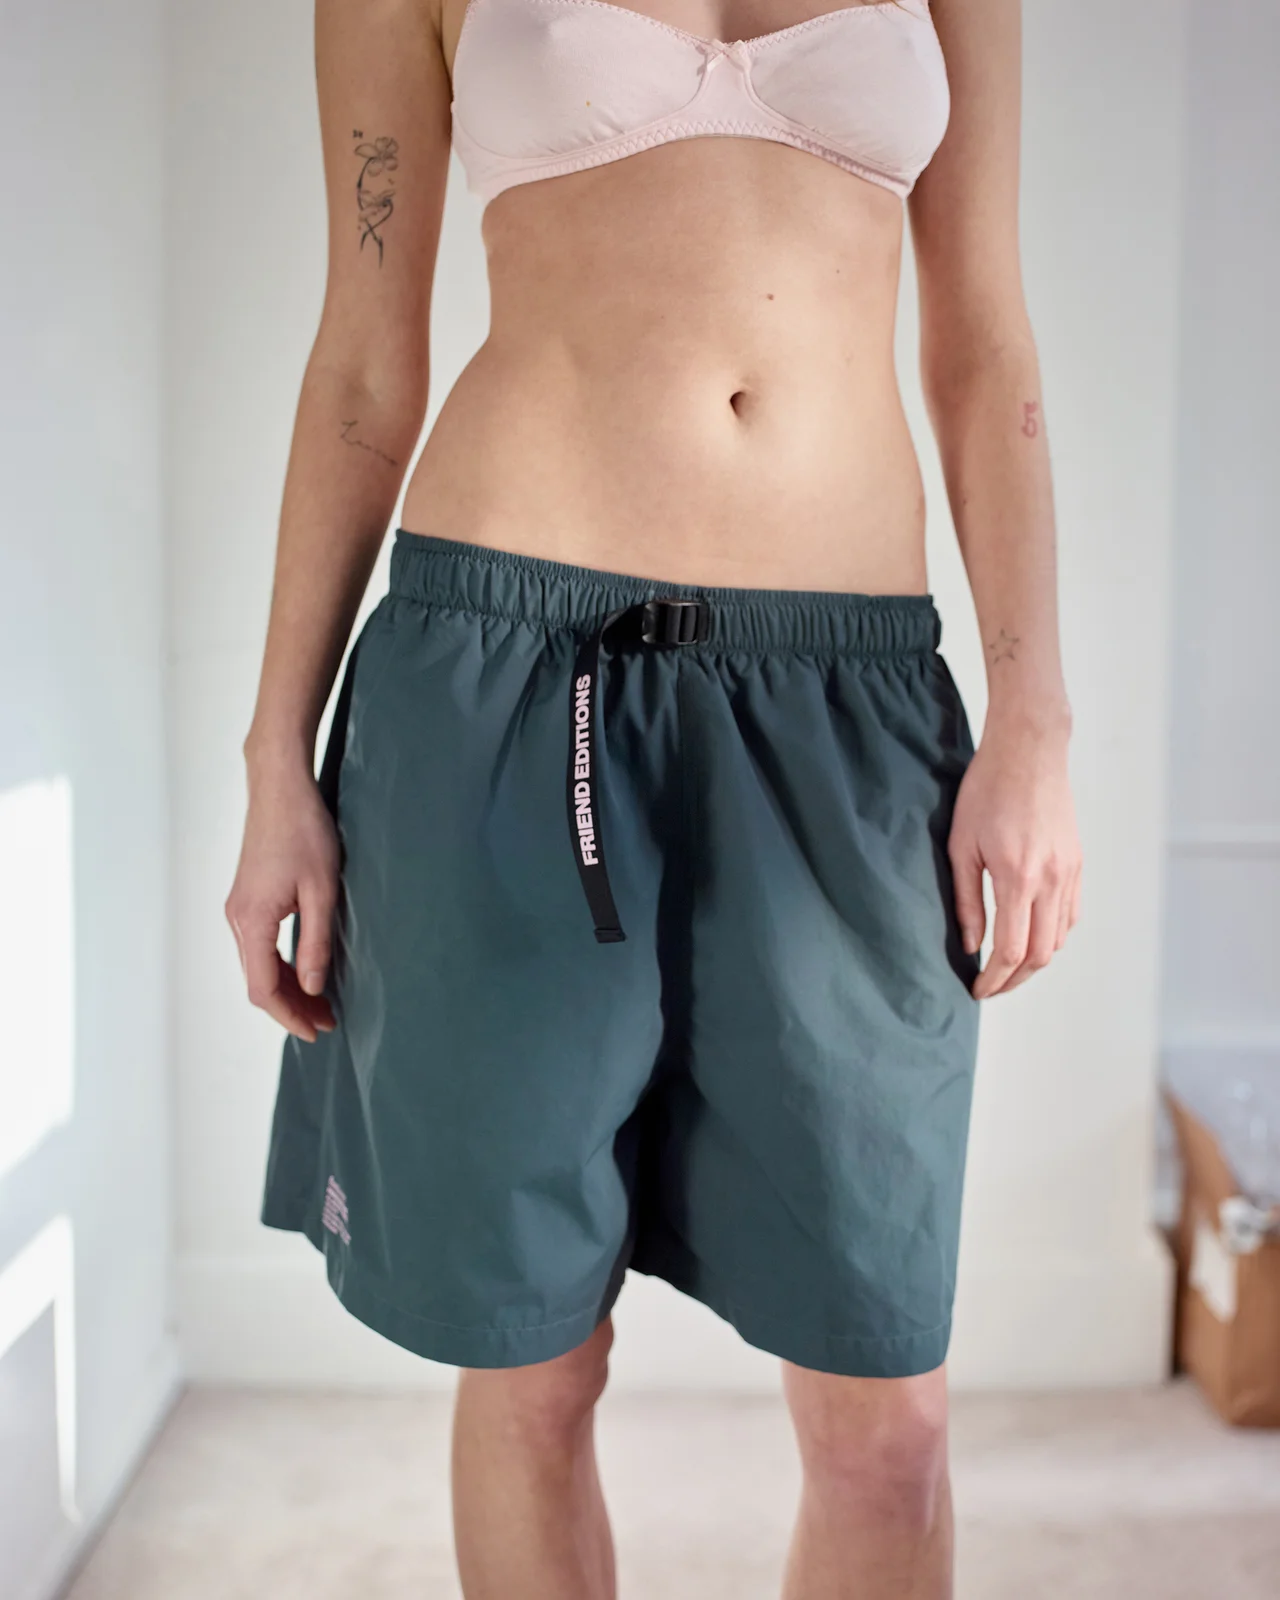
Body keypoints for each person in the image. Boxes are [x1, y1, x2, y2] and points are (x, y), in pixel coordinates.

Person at [226, 0, 1081, 1593]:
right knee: (534, 1370)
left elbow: (986, 346)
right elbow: (361, 362)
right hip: (504, 679)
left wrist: (1035, 716)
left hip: (849, 704)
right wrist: (276, 752)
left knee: (889, 1420)